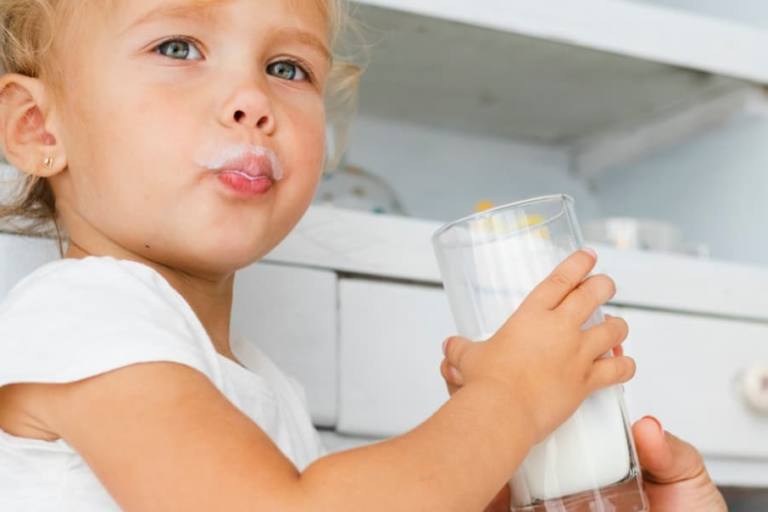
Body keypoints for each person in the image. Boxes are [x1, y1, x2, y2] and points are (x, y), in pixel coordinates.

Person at [0, 0, 727, 509]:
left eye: (288, 67)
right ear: (38, 128)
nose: (252, 99)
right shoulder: (81, 314)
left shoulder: (263, 384)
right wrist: (508, 401)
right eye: (178, 48)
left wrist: (485, 478)